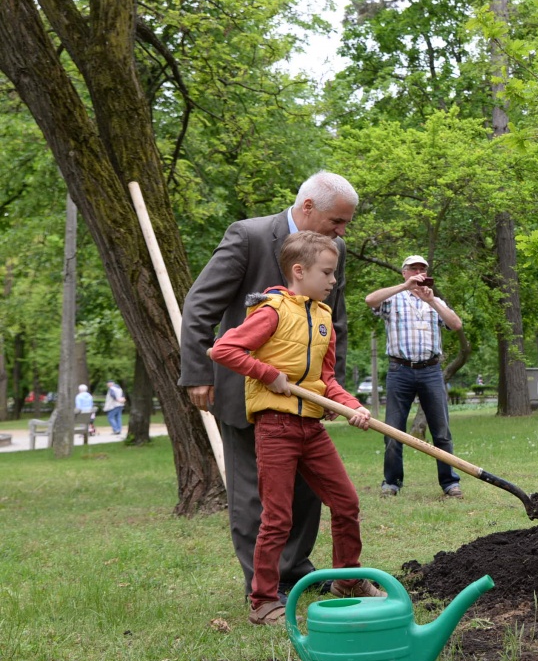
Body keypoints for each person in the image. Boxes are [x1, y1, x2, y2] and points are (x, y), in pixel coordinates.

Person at [179, 171, 358, 599]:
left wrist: (331, 387)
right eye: (337, 221)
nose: (342, 231)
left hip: (306, 397)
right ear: (309, 206)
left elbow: (337, 323)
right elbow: (201, 304)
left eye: (346, 224)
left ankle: (295, 573)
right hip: (248, 393)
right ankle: (264, 587)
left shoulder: (336, 250)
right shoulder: (249, 236)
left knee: (306, 494)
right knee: (254, 498)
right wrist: (199, 375)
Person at [211, 231, 382, 625]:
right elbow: (224, 349)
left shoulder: (324, 318)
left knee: (346, 502)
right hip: (275, 428)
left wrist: (352, 405)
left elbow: (327, 380)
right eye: (327, 272)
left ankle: (348, 580)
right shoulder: (271, 311)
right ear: (299, 271)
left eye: (334, 272)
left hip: (311, 428)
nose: (333, 280)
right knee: (277, 518)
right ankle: (263, 600)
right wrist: (267, 373)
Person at [365, 254, 464, 499]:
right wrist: (405, 287)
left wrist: (433, 302)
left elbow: (456, 325)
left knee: (441, 431)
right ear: (404, 272)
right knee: (393, 429)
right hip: (400, 371)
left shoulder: (436, 301)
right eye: (413, 269)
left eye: (422, 269)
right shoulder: (394, 299)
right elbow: (370, 300)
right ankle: (392, 482)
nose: (418, 272)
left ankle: (450, 483)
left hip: (431, 371)